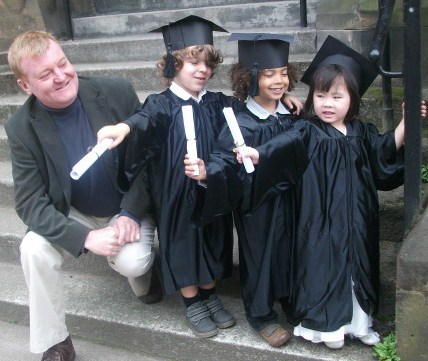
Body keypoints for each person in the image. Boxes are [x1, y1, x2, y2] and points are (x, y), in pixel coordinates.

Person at [236, 35, 427, 349]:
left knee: (358, 267)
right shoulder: (307, 130)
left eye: (337, 96)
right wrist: (261, 153)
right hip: (319, 222)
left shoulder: (361, 132)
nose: (327, 103)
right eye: (321, 95)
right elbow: (284, 146)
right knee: (321, 268)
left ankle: (358, 322)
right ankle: (325, 328)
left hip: (357, 219)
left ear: (353, 99)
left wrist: (407, 123)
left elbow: (383, 152)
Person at [5, 31, 162, 361]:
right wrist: (86, 236)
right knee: (32, 248)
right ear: (25, 85)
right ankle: (55, 341)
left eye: (62, 64)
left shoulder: (115, 91)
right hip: (75, 211)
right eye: (46, 74)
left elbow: (151, 161)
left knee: (133, 263)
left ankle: (145, 273)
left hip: (124, 204)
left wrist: (132, 212)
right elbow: (30, 202)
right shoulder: (21, 128)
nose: (61, 76)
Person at [97, 15, 238, 339]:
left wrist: (282, 99)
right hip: (175, 195)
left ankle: (210, 294)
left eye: (208, 63)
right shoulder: (161, 104)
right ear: (173, 64)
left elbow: (240, 122)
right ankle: (192, 302)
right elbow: (144, 119)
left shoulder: (217, 103)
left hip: (208, 186)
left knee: (214, 238)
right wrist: (124, 127)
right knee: (183, 243)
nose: (202, 69)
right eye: (193, 62)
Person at [183, 33, 303, 348]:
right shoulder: (239, 122)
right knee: (260, 255)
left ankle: (292, 299)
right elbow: (224, 158)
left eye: (283, 73)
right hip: (257, 206)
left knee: (293, 248)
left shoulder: (290, 114)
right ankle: (261, 314)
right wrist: (209, 171)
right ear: (249, 77)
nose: (279, 81)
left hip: (291, 200)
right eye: (268, 75)